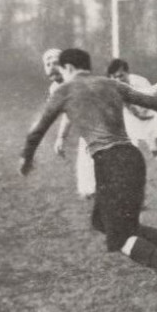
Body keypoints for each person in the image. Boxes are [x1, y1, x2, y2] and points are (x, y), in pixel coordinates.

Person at [20, 48, 157, 294]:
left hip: (110, 162)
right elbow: (155, 102)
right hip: (131, 158)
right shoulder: (110, 84)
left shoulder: (65, 90)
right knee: (103, 221)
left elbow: (38, 128)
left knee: (118, 235)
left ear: (68, 68)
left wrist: (26, 157)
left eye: (60, 69)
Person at [43, 47, 96, 199]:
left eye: (56, 63)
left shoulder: (75, 82)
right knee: (87, 187)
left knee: (94, 182)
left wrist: (61, 137)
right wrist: (61, 137)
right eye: (48, 64)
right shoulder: (54, 88)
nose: (52, 67)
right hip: (86, 132)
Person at [106, 57, 157, 160]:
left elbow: (155, 102)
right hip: (132, 121)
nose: (118, 80)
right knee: (133, 152)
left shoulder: (140, 81)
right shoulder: (112, 90)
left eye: (121, 76)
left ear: (127, 73)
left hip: (150, 114)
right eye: (114, 77)